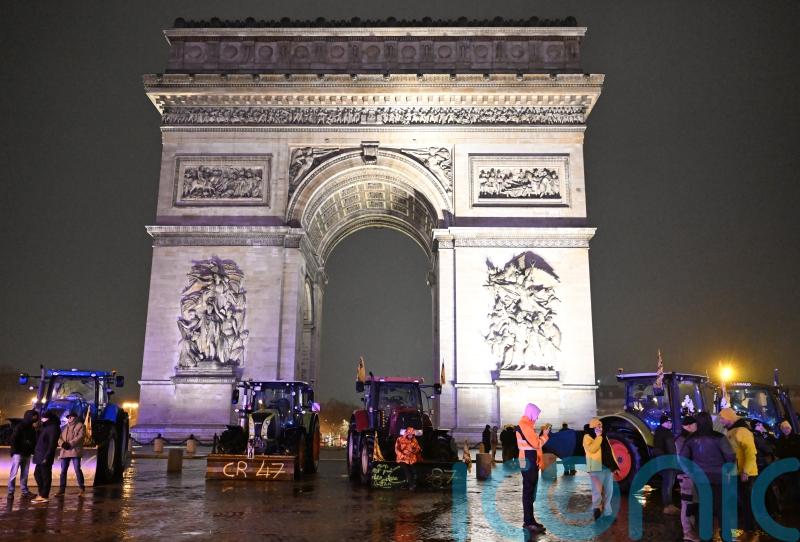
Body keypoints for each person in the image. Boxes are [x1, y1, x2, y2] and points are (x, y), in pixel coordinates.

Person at [679, 411, 736, 536]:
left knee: (704, 506)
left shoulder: (691, 439)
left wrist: (691, 472)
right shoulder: (720, 437)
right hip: (719, 478)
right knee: (722, 506)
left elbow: (682, 459)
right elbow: (730, 457)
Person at [719, 407, 758, 531]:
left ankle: (750, 527)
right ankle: (746, 526)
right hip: (736, 472)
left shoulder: (742, 431)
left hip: (745, 474)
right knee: (741, 501)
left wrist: (745, 471)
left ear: (729, 418)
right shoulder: (730, 431)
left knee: (747, 502)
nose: (720, 420)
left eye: (722, 418)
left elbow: (751, 452)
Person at [516, 403, 550, 533]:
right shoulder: (525, 426)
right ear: (530, 413)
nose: (536, 418)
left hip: (527, 459)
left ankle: (530, 520)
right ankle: (529, 522)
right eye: (536, 415)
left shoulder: (527, 425)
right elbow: (536, 443)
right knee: (529, 491)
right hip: (528, 459)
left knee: (529, 491)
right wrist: (545, 435)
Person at [583, 418, 620, 520]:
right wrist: (598, 437)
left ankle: (608, 513)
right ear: (593, 427)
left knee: (609, 491)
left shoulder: (604, 436)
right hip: (595, 468)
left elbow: (610, 451)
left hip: (607, 468)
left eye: (601, 426)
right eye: (598, 426)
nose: (600, 428)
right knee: (597, 492)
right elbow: (592, 449)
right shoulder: (587, 437)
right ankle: (596, 509)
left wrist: (615, 466)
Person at [675, 415, 699, 542]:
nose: (697, 427)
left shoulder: (688, 438)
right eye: (695, 425)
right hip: (686, 476)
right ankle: (687, 532)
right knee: (687, 503)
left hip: (690, 475)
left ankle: (691, 530)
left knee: (691, 503)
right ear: (689, 426)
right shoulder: (682, 440)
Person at [7, 409, 39, 499]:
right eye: (34, 416)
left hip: (27, 454)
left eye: (36, 416)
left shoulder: (32, 428)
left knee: (25, 474)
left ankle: (24, 491)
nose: (35, 418)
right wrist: (15, 451)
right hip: (18, 453)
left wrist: (32, 451)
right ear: (29, 416)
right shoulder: (20, 427)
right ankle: (10, 492)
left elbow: (33, 441)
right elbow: (14, 439)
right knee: (14, 473)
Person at [31, 410, 61, 503]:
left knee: (45, 475)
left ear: (49, 418)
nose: (42, 419)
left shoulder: (53, 428)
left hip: (45, 456)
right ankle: (41, 493)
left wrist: (47, 457)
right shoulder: (46, 427)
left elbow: (52, 444)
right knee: (37, 474)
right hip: (40, 455)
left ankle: (44, 495)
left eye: (44, 417)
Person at [751, 420, 780, 516]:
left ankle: (772, 510)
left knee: (769, 488)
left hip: (765, 464)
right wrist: (771, 447)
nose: (761, 426)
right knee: (768, 488)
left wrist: (766, 434)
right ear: (755, 426)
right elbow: (768, 449)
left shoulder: (761, 435)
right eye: (759, 425)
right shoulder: (755, 436)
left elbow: (775, 443)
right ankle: (772, 510)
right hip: (761, 464)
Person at [653, 414, 680, 514]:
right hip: (667, 462)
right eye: (668, 422)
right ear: (663, 423)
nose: (670, 424)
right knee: (668, 484)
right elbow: (659, 449)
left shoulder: (665, 433)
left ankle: (669, 504)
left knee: (670, 482)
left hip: (669, 462)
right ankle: (667, 506)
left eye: (671, 422)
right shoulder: (663, 434)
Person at [55, 411, 86, 496]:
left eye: (71, 417)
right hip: (65, 451)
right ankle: (61, 490)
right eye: (68, 417)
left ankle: (81, 488)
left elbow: (80, 437)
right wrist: (62, 444)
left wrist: (70, 444)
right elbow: (59, 437)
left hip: (75, 451)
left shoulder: (81, 426)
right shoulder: (64, 427)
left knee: (77, 469)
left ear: (75, 417)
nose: (69, 418)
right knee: (63, 471)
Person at [395, 426, 421, 491]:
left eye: (412, 434)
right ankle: (411, 486)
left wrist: (415, 450)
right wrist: (403, 456)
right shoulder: (400, 439)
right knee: (407, 471)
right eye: (409, 434)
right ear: (406, 433)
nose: (410, 435)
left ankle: (414, 485)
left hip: (411, 459)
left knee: (415, 471)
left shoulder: (414, 440)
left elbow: (418, 448)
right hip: (402, 459)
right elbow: (397, 450)